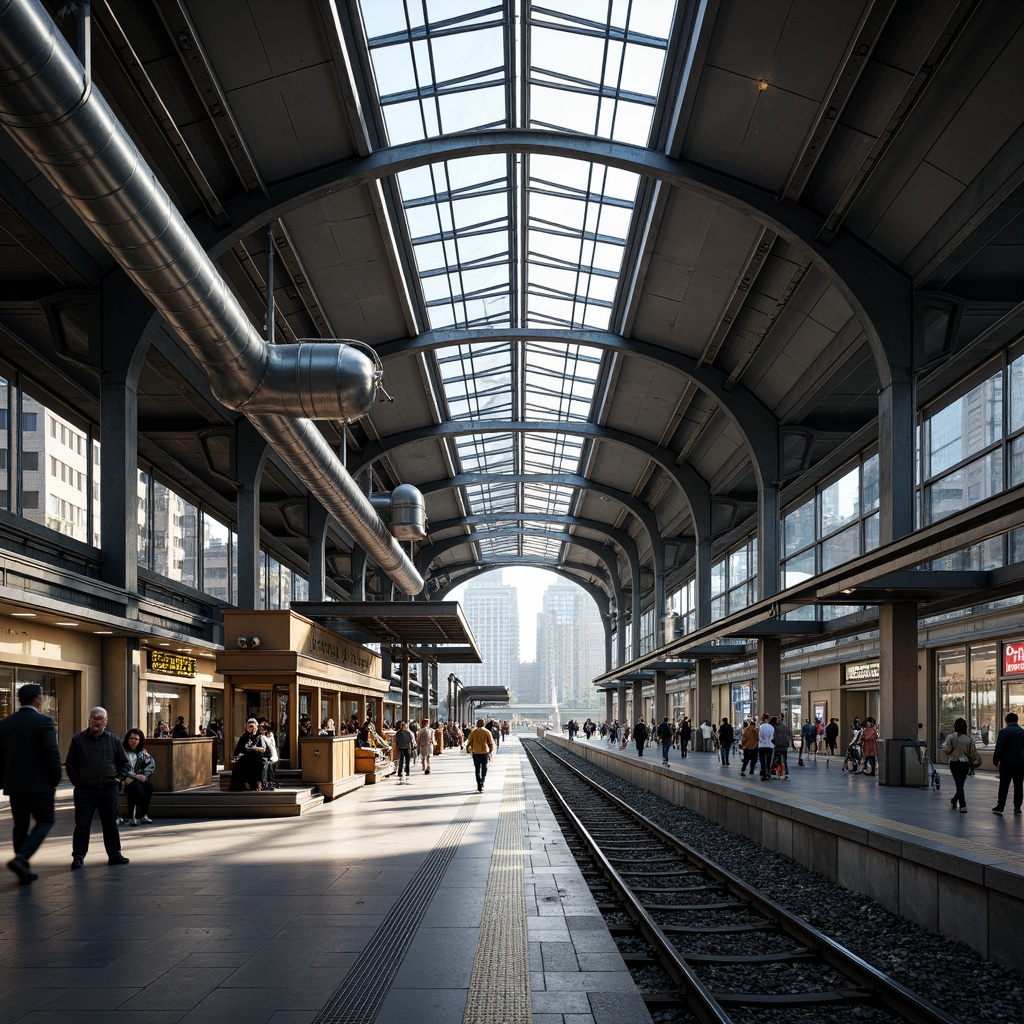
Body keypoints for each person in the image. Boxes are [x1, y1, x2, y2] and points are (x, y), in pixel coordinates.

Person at [0, 683, 62, 885]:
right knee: (45, 820)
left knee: (20, 824)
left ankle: (23, 869)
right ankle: (21, 858)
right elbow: (52, 755)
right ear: (37, 699)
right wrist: (55, 779)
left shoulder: (5, 723)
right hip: (39, 784)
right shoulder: (43, 722)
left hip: (14, 783)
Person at [64, 707, 130, 869]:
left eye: (100, 718)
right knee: (82, 824)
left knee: (110, 824)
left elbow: (124, 762)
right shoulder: (78, 739)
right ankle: (78, 856)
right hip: (84, 790)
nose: (96, 721)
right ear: (89, 720)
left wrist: (118, 779)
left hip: (108, 789)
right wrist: (77, 781)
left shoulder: (113, 740)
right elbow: (70, 763)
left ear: (106, 721)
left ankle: (114, 854)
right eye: (93, 718)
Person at [992, 712, 1024, 815]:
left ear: (1006, 721)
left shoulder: (1003, 732)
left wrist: (996, 760)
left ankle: (1001, 806)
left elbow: (999, 748)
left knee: (1004, 785)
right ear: (1017, 720)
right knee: (1018, 785)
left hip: (1006, 764)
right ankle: (1017, 807)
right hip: (1020, 763)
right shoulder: (1022, 732)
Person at [943, 717, 977, 813]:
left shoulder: (950, 737)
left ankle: (963, 805)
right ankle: (954, 800)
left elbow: (947, 751)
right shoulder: (969, 739)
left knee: (959, 784)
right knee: (960, 783)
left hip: (954, 762)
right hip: (965, 763)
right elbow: (973, 753)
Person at [122, 729, 156, 825]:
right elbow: (120, 767)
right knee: (137, 788)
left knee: (149, 787)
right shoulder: (122, 751)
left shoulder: (142, 752)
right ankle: (131, 816)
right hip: (125, 778)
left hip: (138, 777)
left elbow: (151, 763)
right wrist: (134, 775)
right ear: (127, 739)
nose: (134, 741)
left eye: (136, 739)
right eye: (131, 738)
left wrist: (144, 775)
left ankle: (144, 815)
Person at [229, 718, 269, 791]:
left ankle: (258, 782)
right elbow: (238, 749)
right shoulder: (244, 736)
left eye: (253, 726)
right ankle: (246, 783)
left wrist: (256, 748)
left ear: (256, 727)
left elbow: (263, 749)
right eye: (250, 726)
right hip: (246, 756)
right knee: (242, 763)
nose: (251, 728)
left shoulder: (259, 736)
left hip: (257, 756)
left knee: (258, 762)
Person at [466, 718, 495, 792]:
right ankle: (482, 781)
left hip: (475, 752)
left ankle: (479, 784)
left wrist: (468, 749)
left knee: (477, 769)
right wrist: (491, 751)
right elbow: (490, 743)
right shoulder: (487, 732)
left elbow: (469, 741)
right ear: (484, 724)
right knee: (484, 768)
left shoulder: (473, 732)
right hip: (485, 752)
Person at [260, 723, 280, 789]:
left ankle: (271, 781)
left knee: (270, 765)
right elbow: (264, 747)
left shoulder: (271, 736)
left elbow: (273, 745)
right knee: (269, 765)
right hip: (268, 755)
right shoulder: (262, 737)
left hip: (273, 754)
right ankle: (269, 781)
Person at [757, 713, 775, 780]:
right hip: (770, 746)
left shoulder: (760, 727)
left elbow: (759, 736)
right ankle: (767, 772)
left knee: (762, 761)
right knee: (768, 760)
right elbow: (773, 737)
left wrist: (761, 740)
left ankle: (763, 773)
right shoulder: (771, 727)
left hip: (761, 746)